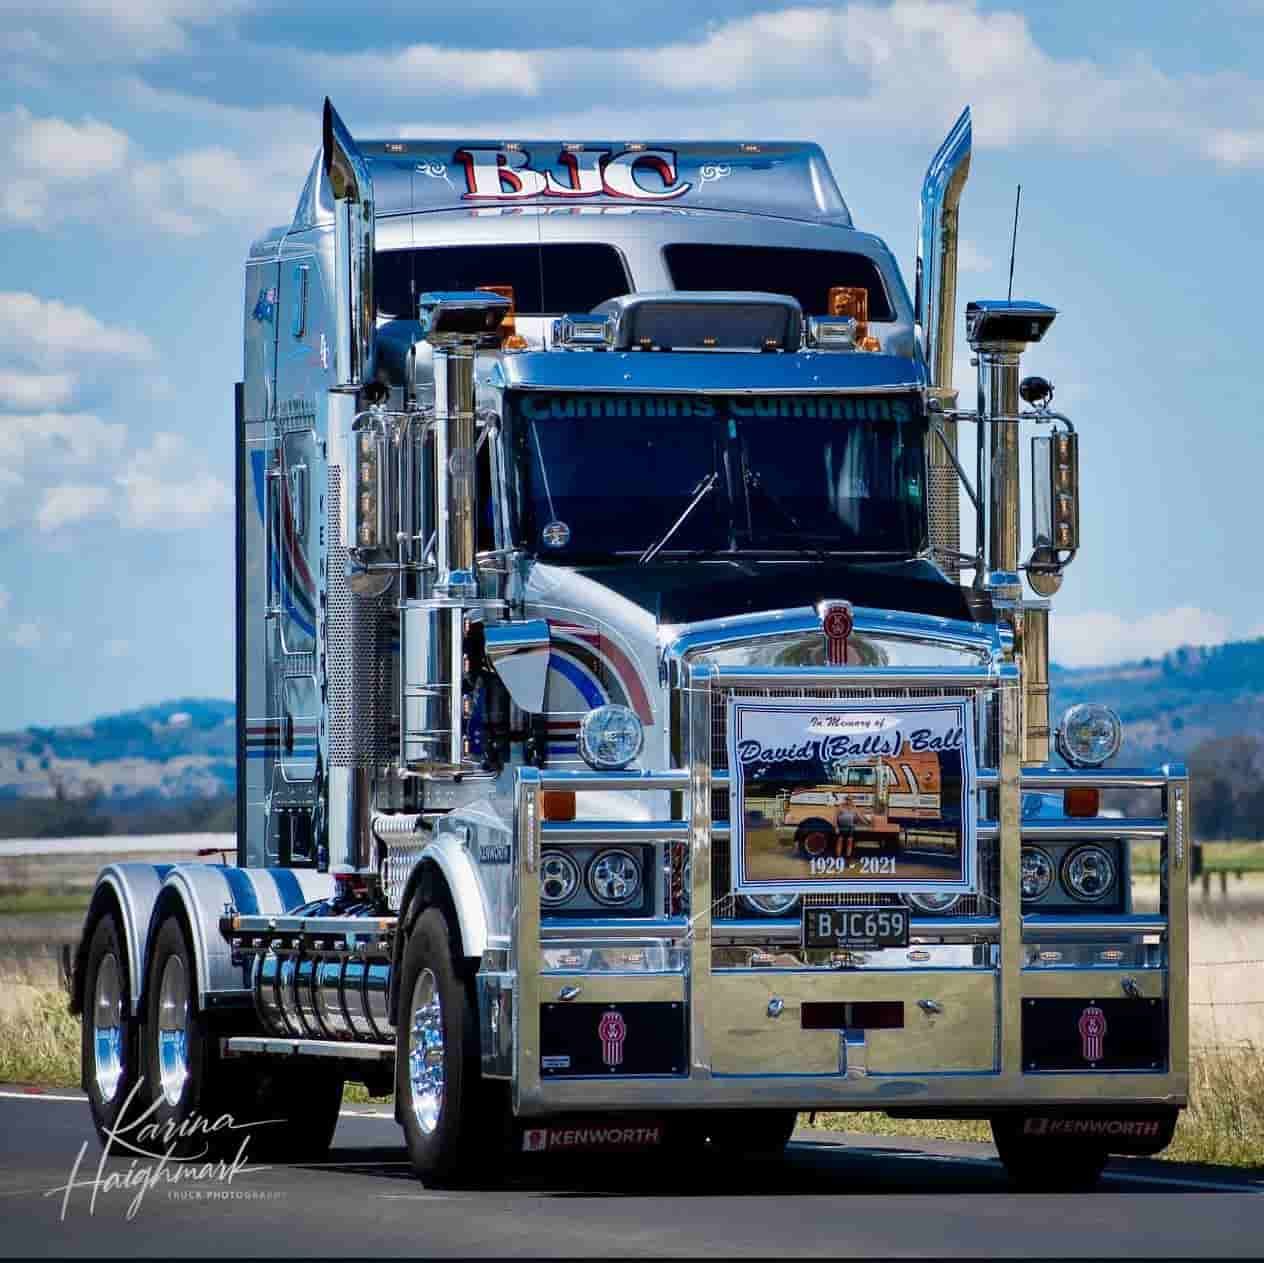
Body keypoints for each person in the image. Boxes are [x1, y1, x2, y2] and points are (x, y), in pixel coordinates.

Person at [834, 795, 858, 865]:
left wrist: (867, 822)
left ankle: (848, 859)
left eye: (850, 800)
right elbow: (835, 817)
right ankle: (838, 858)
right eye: (847, 799)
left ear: (852, 801)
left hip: (850, 827)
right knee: (840, 841)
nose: (849, 801)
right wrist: (836, 827)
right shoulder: (840, 807)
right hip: (841, 827)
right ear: (845, 800)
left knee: (849, 842)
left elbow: (859, 816)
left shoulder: (854, 807)